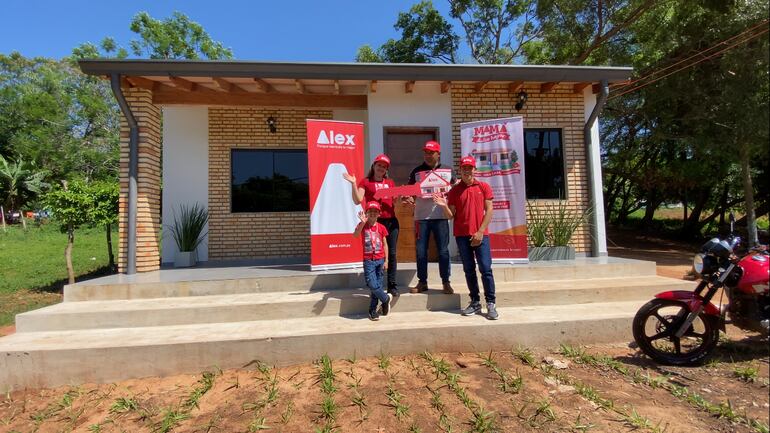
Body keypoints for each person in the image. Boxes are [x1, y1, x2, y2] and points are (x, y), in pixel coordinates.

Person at [434, 155, 498, 320]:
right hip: (462, 236)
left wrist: (480, 231)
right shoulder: (455, 190)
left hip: (481, 235)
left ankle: (491, 303)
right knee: (469, 270)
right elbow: (451, 216)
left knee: (485, 269)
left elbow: (489, 210)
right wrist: (443, 206)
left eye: (470, 168)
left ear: (474, 169)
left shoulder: (483, 187)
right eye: (464, 168)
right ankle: (475, 302)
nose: (467, 171)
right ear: (460, 170)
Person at [343, 153, 400, 297]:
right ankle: (376, 283)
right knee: (374, 253)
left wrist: (401, 198)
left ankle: (392, 285)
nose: (381, 168)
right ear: (374, 166)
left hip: (391, 221)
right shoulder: (366, 182)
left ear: (386, 169)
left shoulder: (390, 183)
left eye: (384, 166)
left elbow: (395, 203)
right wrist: (353, 184)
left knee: (391, 253)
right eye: (379, 165)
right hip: (374, 222)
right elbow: (357, 200)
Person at [404, 140, 454, 294]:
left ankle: (446, 282)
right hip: (421, 217)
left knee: (443, 251)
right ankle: (422, 282)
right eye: (426, 152)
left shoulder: (448, 169)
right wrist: (409, 198)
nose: (428, 155)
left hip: (441, 216)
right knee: (420, 251)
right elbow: (410, 192)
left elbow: (454, 190)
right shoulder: (417, 171)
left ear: (438, 153)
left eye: (431, 152)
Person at [353, 201, 393, 321]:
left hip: (380, 260)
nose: (373, 214)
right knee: (372, 284)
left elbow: (385, 245)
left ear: (379, 214)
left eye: (375, 212)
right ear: (366, 213)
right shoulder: (362, 225)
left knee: (377, 286)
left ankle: (372, 311)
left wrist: (386, 261)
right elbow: (355, 235)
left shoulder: (381, 227)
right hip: (368, 260)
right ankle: (386, 299)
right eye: (370, 211)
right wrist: (362, 223)